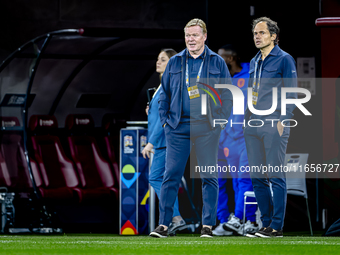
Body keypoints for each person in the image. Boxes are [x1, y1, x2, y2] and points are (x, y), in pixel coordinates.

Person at [149, 18, 233, 238]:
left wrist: (219, 123)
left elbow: (228, 94)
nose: (191, 39)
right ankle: (165, 224)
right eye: (187, 35)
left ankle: (207, 226)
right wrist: (166, 123)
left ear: (204, 36)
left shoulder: (216, 62)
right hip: (177, 127)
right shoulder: (175, 62)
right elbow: (163, 95)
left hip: (207, 128)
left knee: (209, 177)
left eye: (195, 35)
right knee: (171, 176)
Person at [243, 17, 297, 238]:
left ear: (273, 36)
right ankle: (265, 224)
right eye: (255, 33)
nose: (257, 36)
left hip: (274, 122)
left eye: (262, 33)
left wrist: (284, 119)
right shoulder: (254, 60)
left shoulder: (284, 59)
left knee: (276, 175)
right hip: (253, 125)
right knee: (257, 176)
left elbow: (291, 91)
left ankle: (277, 226)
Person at [213, 44, 258, 236]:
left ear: (230, 59)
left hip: (247, 137)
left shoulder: (251, 75)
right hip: (227, 138)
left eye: (220, 58)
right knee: (233, 183)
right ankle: (232, 222)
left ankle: (245, 219)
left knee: (245, 179)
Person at [141, 49, 186, 235]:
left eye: (163, 59)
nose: (158, 62)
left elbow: (165, 118)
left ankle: (175, 217)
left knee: (157, 178)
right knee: (163, 179)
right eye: (158, 58)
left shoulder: (170, 85)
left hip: (165, 141)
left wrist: (151, 142)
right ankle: (174, 220)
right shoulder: (162, 85)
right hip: (164, 141)